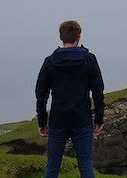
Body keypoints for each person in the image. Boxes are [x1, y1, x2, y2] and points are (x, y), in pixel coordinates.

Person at [35, 20, 105, 178]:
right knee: (85, 166)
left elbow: (41, 94)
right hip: (82, 120)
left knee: (52, 167)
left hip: (58, 120)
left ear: (61, 37)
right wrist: (99, 118)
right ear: (78, 37)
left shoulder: (50, 62)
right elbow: (98, 91)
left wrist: (42, 122)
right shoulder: (89, 59)